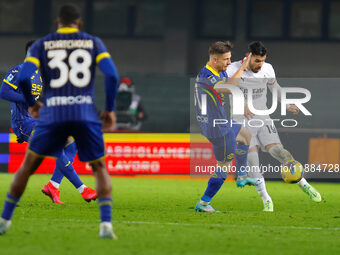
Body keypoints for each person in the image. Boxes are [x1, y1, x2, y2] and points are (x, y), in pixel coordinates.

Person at [0, 4, 119, 239]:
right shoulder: (92, 42)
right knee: (99, 167)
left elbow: (27, 79)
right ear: (80, 23)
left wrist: (34, 104)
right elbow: (112, 75)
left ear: (57, 23)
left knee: (35, 163)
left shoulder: (42, 46)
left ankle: (10, 216)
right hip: (80, 112)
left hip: (53, 115)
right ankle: (103, 220)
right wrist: (109, 109)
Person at [226, 41, 322, 212]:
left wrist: (287, 104)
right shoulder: (233, 68)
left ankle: (304, 184)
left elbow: (275, 88)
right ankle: (266, 199)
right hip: (241, 120)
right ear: (249, 56)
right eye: (256, 61)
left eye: (262, 61)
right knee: (253, 161)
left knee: (280, 152)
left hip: (263, 117)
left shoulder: (267, 69)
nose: (260, 65)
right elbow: (229, 87)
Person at [0, 40, 97, 204]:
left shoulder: (39, 75)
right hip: (23, 122)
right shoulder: (19, 70)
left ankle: (53, 185)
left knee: (71, 143)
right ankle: (83, 189)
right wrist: (27, 101)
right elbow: (4, 91)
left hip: (34, 121)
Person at [194, 41, 257, 213]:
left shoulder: (215, 72)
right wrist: (243, 66)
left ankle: (242, 176)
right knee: (224, 166)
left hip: (220, 122)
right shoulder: (207, 76)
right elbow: (230, 87)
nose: (229, 63)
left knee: (246, 135)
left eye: (230, 59)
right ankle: (204, 202)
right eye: (226, 60)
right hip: (217, 128)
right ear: (214, 59)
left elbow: (228, 84)